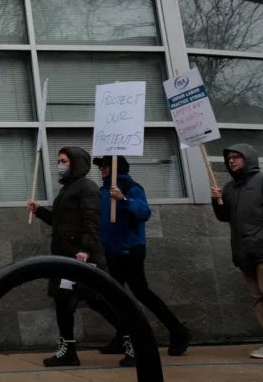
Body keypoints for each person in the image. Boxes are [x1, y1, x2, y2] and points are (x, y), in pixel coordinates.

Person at [28, 147, 134, 368]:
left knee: (100, 302)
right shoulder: (69, 188)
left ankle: (133, 341)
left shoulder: (87, 188)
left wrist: (84, 250)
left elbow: (91, 223)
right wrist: (39, 211)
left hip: (82, 258)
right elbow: (61, 223)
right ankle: (68, 350)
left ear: (76, 163)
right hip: (66, 258)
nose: (60, 164)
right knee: (63, 301)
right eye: (59, 161)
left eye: (64, 161)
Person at [93, 156, 192, 357]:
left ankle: (178, 331)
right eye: (101, 166)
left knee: (141, 292)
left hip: (131, 250)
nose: (102, 169)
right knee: (115, 296)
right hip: (112, 250)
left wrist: (124, 199)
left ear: (116, 168)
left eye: (105, 165)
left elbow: (144, 213)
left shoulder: (131, 187)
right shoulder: (103, 190)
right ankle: (123, 337)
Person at [210, 144, 263, 359]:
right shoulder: (229, 187)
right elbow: (224, 217)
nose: (232, 161)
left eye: (237, 157)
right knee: (257, 298)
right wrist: (217, 201)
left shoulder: (262, 181)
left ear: (248, 158)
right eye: (230, 158)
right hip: (243, 253)